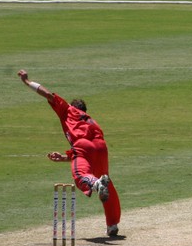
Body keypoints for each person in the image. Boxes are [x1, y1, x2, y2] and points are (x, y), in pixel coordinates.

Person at [17, 70, 121, 237]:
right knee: (106, 183)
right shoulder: (90, 120)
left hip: (83, 146)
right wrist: (65, 158)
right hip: (101, 148)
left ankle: (95, 184)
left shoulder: (68, 110)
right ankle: (112, 225)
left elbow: (48, 94)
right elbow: (89, 154)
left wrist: (27, 82)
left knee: (80, 175)